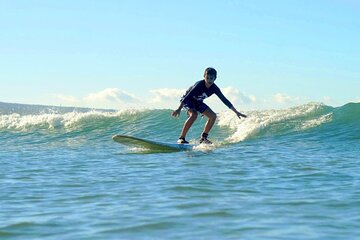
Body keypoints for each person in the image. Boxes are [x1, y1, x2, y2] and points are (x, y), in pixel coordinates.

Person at [172, 67, 247, 144]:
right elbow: (187, 96)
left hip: (198, 102)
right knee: (194, 115)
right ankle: (182, 138)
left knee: (213, 116)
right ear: (204, 76)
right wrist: (179, 109)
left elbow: (224, 100)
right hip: (188, 100)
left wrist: (236, 112)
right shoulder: (199, 85)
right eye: (207, 78)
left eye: (211, 78)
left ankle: (203, 138)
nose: (209, 80)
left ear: (215, 78)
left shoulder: (214, 88)